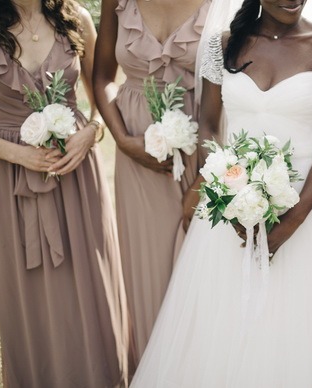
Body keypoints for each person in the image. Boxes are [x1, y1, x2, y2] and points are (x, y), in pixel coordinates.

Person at [130, 0, 312, 386]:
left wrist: (291, 223)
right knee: (223, 321)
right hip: (232, 201)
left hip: (309, 205)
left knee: (306, 324)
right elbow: (208, 123)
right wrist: (216, 186)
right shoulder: (223, 45)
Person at [0, 0, 128, 386]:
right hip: (13, 179)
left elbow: (102, 87)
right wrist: (21, 155)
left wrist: (92, 132)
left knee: (90, 281)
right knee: (30, 292)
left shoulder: (76, 18)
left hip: (77, 172)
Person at [93, 0, 212, 366]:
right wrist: (122, 139)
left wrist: (208, 173)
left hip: (204, 144)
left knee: (203, 276)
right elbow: (101, 77)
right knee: (147, 273)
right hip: (137, 154)